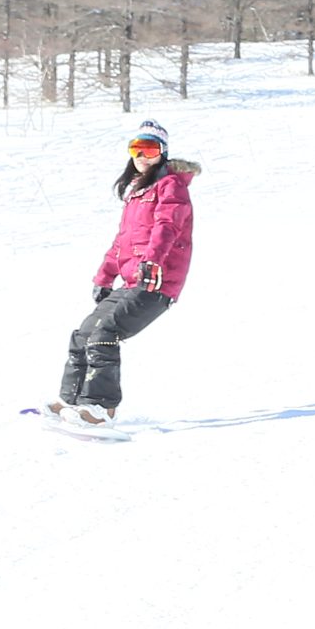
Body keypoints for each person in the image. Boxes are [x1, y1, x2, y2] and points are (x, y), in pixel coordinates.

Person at [48, 119, 197, 426]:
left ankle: (101, 410)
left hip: (157, 282)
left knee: (105, 333)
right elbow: (122, 242)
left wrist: (153, 260)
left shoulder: (172, 186)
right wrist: (104, 277)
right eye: (136, 149)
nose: (143, 156)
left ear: (163, 153)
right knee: (84, 334)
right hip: (133, 280)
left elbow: (167, 228)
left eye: (151, 149)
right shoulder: (136, 192)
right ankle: (71, 403)